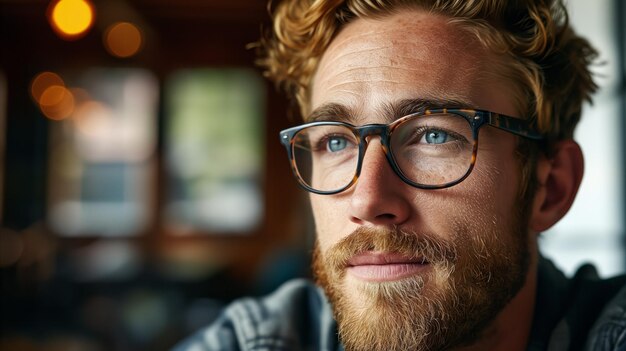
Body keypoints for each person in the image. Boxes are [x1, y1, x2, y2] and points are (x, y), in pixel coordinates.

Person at [174, 0, 626, 350]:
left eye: (432, 135)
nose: (366, 200)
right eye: (336, 141)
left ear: (551, 188)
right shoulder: (262, 339)